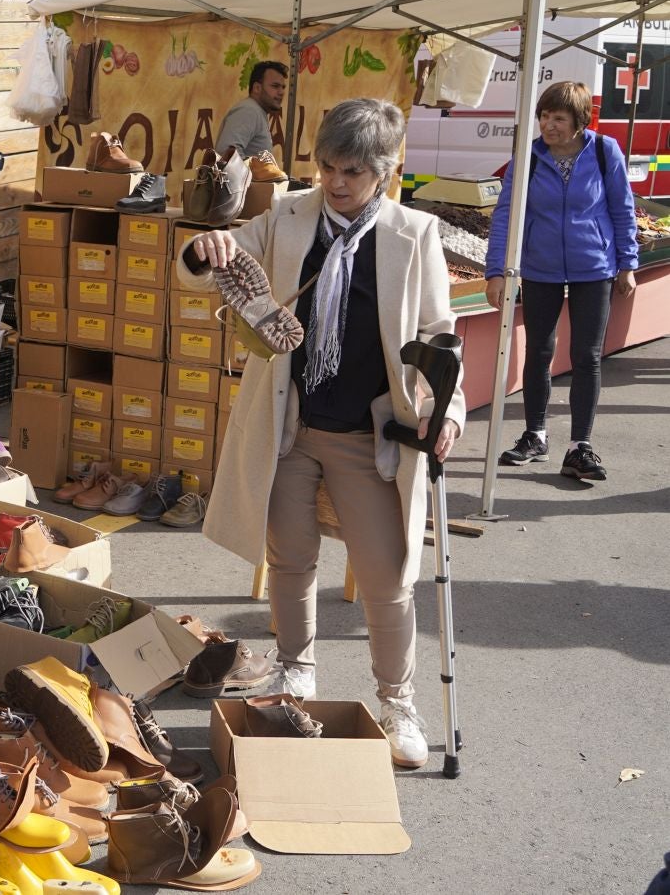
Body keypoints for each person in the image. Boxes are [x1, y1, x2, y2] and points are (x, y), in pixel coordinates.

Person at [178, 98, 465, 769]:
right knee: (290, 557)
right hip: (291, 425)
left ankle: (397, 702)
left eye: (352, 172)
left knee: (387, 575)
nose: (335, 182)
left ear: (384, 172)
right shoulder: (287, 216)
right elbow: (204, 266)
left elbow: (439, 333)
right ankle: (296, 668)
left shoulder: (413, 233)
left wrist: (447, 409)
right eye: (328, 166)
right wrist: (203, 246)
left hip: (370, 435)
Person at [485, 80, 637, 482]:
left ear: (579, 120)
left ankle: (579, 446)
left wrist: (628, 263)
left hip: (595, 267)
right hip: (540, 267)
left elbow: (622, 209)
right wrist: (496, 270)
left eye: (558, 118)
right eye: (544, 116)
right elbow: (506, 215)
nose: (548, 125)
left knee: (587, 356)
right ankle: (535, 435)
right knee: (539, 350)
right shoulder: (528, 158)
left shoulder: (605, 152)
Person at [216, 61, 287, 158]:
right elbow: (226, 152)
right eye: (275, 86)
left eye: (283, 87)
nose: (281, 92)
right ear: (257, 88)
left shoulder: (256, 111)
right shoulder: (249, 111)